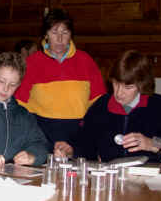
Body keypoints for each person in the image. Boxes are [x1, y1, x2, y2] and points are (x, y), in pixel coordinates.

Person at [14, 9, 106, 154]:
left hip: (79, 140)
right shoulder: (32, 63)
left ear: (71, 35)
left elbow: (98, 105)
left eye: (65, 33)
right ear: (46, 34)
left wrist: (78, 141)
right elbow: (19, 107)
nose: (59, 39)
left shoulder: (86, 61)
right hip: (41, 140)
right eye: (54, 32)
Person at [73, 50, 161, 163]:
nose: (119, 93)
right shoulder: (101, 105)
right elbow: (83, 144)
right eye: (115, 84)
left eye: (128, 87)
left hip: (151, 175)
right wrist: (70, 151)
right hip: (111, 174)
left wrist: (154, 145)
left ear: (142, 84)